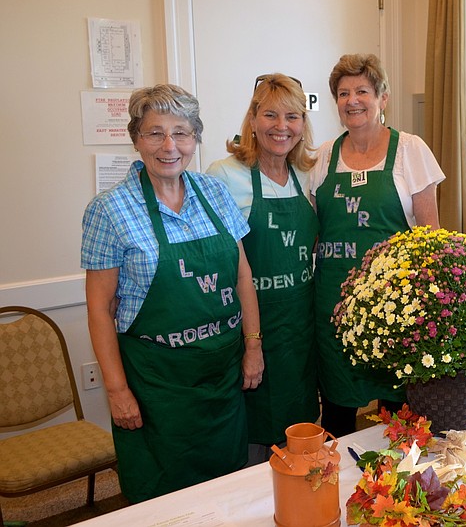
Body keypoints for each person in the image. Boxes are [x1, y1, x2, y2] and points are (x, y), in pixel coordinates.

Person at [82, 84, 263, 503]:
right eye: (155, 133)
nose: (169, 146)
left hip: (221, 380)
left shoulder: (214, 192)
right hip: (158, 387)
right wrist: (116, 390)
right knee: (165, 498)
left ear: (195, 138)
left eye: (181, 132)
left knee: (227, 488)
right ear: (136, 139)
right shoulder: (109, 209)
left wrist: (253, 346)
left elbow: (242, 276)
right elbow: (99, 308)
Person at [311, 53, 445, 436]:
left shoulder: (410, 150)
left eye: (362, 91)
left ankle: (394, 489)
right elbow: (317, 231)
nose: (352, 100)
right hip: (334, 304)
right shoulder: (323, 157)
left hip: (393, 307)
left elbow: (431, 235)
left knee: (398, 409)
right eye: (343, 92)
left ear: (382, 98)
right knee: (336, 409)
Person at [207, 74, 319, 464]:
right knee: (254, 447)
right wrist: (251, 343)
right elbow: (220, 264)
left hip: (299, 332)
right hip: (252, 331)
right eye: (270, 114)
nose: (281, 126)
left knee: (303, 439)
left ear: (303, 123)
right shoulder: (224, 175)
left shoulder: (307, 173)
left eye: (292, 116)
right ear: (252, 120)